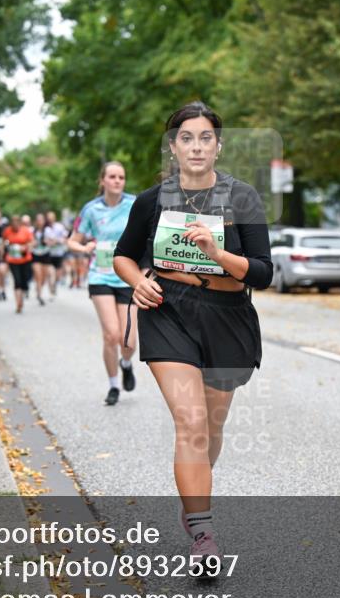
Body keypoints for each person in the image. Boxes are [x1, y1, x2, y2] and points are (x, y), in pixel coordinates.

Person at [113, 101, 273, 559]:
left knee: (210, 429)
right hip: (168, 312)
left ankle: (194, 497)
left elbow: (263, 272)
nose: (196, 146)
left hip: (227, 317)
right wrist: (138, 281)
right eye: (187, 138)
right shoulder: (151, 201)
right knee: (191, 423)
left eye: (206, 138)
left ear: (218, 146)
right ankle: (204, 536)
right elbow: (123, 256)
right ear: (173, 146)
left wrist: (218, 254)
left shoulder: (242, 198)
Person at [68, 162, 139, 405]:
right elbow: (72, 241)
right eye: (112, 176)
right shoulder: (91, 209)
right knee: (111, 334)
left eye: (121, 177)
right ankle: (113, 386)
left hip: (128, 275)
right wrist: (84, 247)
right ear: (103, 181)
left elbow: (148, 234)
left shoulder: (134, 205)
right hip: (100, 275)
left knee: (128, 341)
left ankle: (126, 363)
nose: (117, 180)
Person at [0, 214, 34, 314]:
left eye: (17, 223)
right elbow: (3, 242)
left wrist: (25, 247)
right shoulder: (7, 231)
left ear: (19, 223)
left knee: (24, 281)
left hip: (25, 259)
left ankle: (21, 299)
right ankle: (18, 303)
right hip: (12, 260)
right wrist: (2, 254)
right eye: (13, 223)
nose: (15, 225)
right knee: (17, 280)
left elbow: (32, 242)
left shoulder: (25, 231)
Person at [46, 210, 69, 295]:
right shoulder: (46, 228)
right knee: (50, 272)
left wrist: (57, 241)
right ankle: (50, 289)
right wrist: (48, 242)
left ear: (54, 218)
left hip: (59, 253)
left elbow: (65, 238)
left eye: (51, 218)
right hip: (48, 253)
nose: (50, 219)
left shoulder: (59, 227)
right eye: (48, 218)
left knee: (58, 274)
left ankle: (54, 285)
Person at [32, 213, 52, 306]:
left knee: (44, 277)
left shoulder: (48, 230)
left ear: (44, 221)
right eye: (38, 220)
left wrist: (48, 242)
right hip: (35, 254)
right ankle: (39, 295)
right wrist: (33, 243)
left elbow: (53, 241)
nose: (39, 222)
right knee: (38, 274)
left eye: (41, 220)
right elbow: (28, 242)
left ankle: (39, 289)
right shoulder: (32, 230)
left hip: (45, 254)